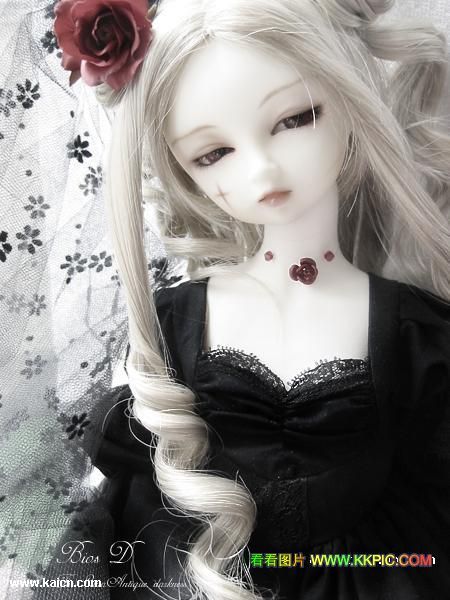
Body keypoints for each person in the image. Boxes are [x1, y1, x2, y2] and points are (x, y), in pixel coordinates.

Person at [52, 0, 450, 598]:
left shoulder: (416, 331)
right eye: (213, 154)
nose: (262, 170)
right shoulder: (177, 323)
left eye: (296, 117)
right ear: (185, 173)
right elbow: (138, 521)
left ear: (347, 98)